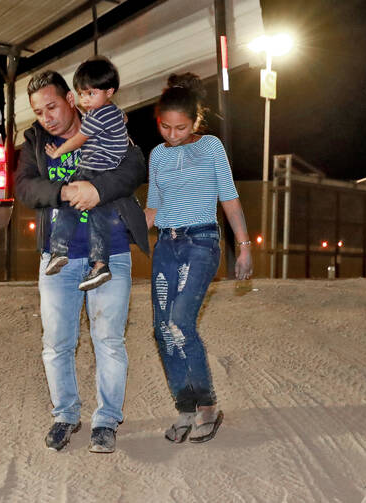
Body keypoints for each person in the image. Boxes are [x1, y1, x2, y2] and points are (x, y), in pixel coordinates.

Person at [15, 70, 149, 453]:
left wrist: (96, 188)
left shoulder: (107, 123)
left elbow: (134, 166)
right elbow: (24, 186)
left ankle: (106, 422)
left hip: (111, 251)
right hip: (56, 257)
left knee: (108, 339)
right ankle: (65, 415)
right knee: (56, 342)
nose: (47, 118)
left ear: (72, 100)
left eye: (52, 107)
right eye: (39, 112)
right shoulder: (35, 140)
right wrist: (64, 191)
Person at [144, 73, 253, 444]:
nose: (172, 135)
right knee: (162, 330)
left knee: (179, 322)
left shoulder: (210, 148)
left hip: (201, 242)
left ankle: (207, 406)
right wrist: (118, 234)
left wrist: (244, 245)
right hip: (166, 246)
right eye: (165, 127)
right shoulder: (157, 155)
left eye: (181, 127)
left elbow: (229, 197)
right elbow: (153, 209)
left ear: (195, 123)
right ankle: (185, 408)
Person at [43, 57, 128, 291]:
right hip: (106, 173)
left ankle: (59, 250)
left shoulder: (100, 115)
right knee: (97, 215)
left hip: (94, 168)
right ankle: (100, 264)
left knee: (67, 200)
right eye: (81, 94)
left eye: (90, 93)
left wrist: (58, 151)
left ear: (109, 91)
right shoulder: (111, 112)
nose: (85, 100)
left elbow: (80, 139)